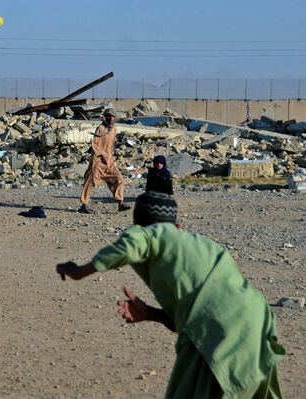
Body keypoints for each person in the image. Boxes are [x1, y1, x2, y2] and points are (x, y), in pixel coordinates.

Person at [57, 191, 284, 398]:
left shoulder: (151, 234)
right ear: (178, 224)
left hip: (219, 333)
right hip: (258, 324)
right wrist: (149, 314)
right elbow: (188, 320)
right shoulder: (203, 246)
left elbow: (133, 243)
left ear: (137, 222)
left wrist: (79, 271)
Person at [79, 108, 131, 214]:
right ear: (105, 117)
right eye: (109, 116)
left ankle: (120, 202)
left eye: (112, 116)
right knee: (90, 181)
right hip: (98, 160)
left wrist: (109, 156)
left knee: (118, 178)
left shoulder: (114, 130)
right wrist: (101, 154)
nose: (111, 118)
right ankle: (84, 205)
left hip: (109, 160)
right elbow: (94, 144)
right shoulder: (101, 128)